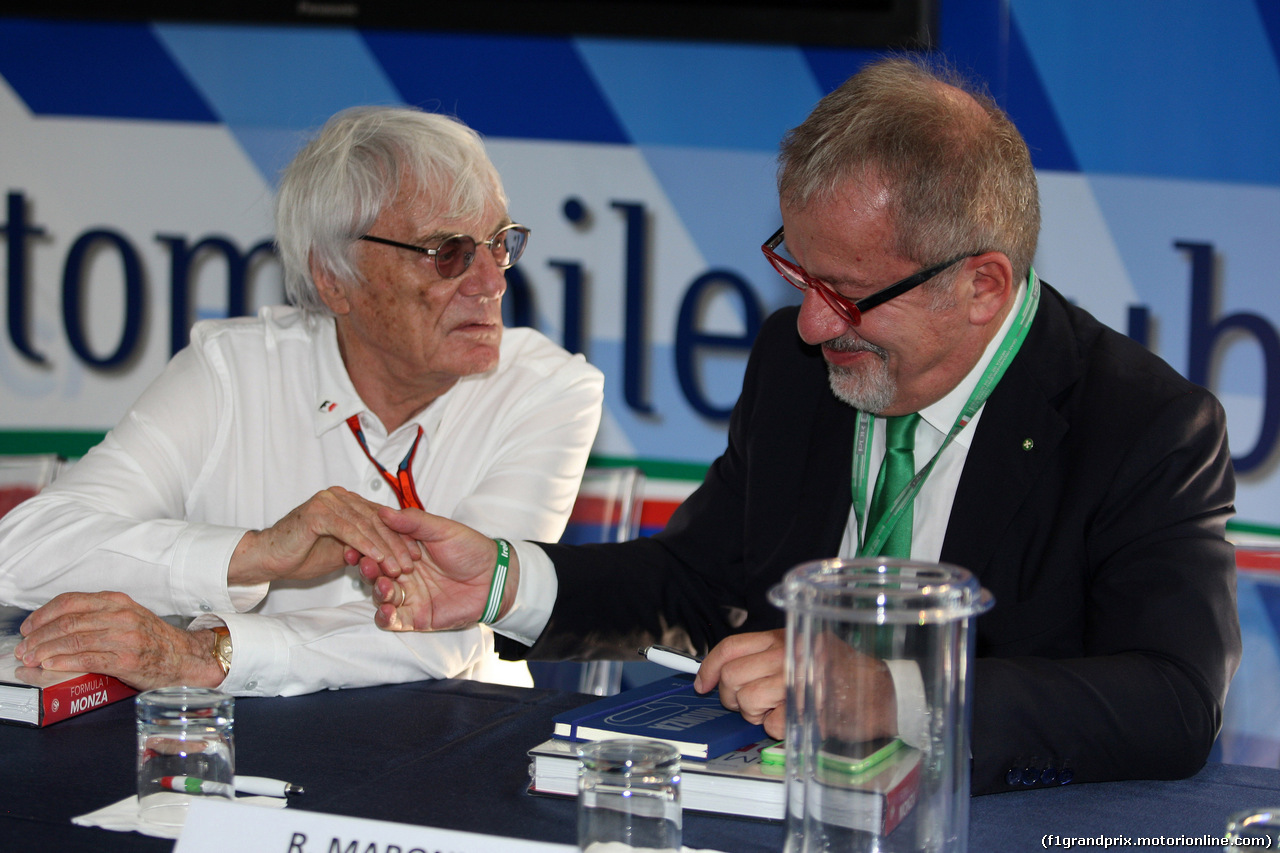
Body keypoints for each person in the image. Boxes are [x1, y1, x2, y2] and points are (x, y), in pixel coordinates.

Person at [355, 57, 1240, 795]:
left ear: (983, 286)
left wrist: (891, 695)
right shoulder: (796, 364)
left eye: (847, 294)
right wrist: (506, 582)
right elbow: (695, 583)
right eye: (796, 271)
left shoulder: (1142, 424)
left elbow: (1171, 701)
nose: (813, 325)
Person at [0, 106, 603, 696]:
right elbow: (23, 553)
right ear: (334, 279)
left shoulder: (549, 391)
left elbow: (449, 625)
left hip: (445, 756)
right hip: (230, 757)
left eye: (499, 244)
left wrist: (202, 653)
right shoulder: (232, 372)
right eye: (448, 253)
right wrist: (255, 554)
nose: (493, 282)